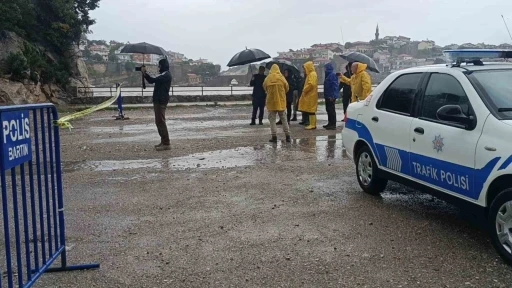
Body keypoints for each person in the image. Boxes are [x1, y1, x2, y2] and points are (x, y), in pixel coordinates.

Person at [141, 58, 172, 151]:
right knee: (158, 121)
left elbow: (152, 80)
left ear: (162, 66)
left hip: (161, 100)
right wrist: (145, 73)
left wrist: (144, 73)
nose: (159, 67)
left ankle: (166, 143)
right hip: (158, 100)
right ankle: (163, 141)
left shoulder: (166, 75)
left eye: (160, 65)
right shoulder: (164, 74)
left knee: (161, 121)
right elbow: (153, 79)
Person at [263, 64, 291, 143]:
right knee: (284, 119)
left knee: (272, 120)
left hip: (271, 102)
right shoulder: (281, 78)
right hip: (281, 102)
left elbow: (264, 87)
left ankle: (274, 136)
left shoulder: (268, 78)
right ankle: (288, 136)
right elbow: (287, 87)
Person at [298, 61, 319, 130]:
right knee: (310, 110)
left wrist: (305, 89)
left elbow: (311, 84)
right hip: (310, 94)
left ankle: (312, 124)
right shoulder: (311, 74)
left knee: (311, 110)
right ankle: (312, 123)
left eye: (304, 68)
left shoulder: (312, 74)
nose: (304, 70)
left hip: (311, 95)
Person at [323, 63, 339, 130]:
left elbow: (334, 86)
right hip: (327, 95)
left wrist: (332, 96)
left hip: (330, 96)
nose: (324, 69)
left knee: (331, 110)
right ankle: (330, 123)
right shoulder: (328, 75)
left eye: (325, 68)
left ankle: (333, 124)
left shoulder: (332, 75)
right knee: (328, 110)